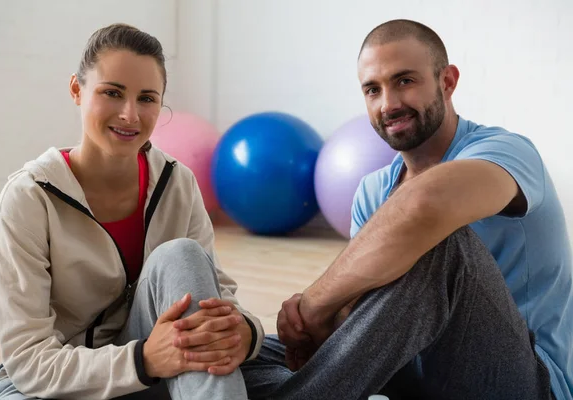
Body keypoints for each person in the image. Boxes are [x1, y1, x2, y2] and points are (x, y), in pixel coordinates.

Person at [241, 19, 573, 400]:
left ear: (447, 82)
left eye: (405, 81)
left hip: (523, 381)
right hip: (412, 374)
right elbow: (367, 317)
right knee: (241, 354)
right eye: (372, 89)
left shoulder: (507, 152)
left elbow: (423, 207)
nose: (389, 104)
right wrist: (316, 326)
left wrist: (313, 304)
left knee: (439, 244)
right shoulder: (372, 190)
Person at [0, 23, 264, 400]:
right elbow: (29, 363)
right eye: (112, 93)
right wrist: (143, 360)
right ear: (76, 90)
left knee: (181, 255)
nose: (130, 115)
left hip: (159, 368)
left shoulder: (178, 182)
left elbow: (217, 300)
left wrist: (245, 333)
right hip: (51, 385)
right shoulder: (28, 198)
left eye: (147, 98)